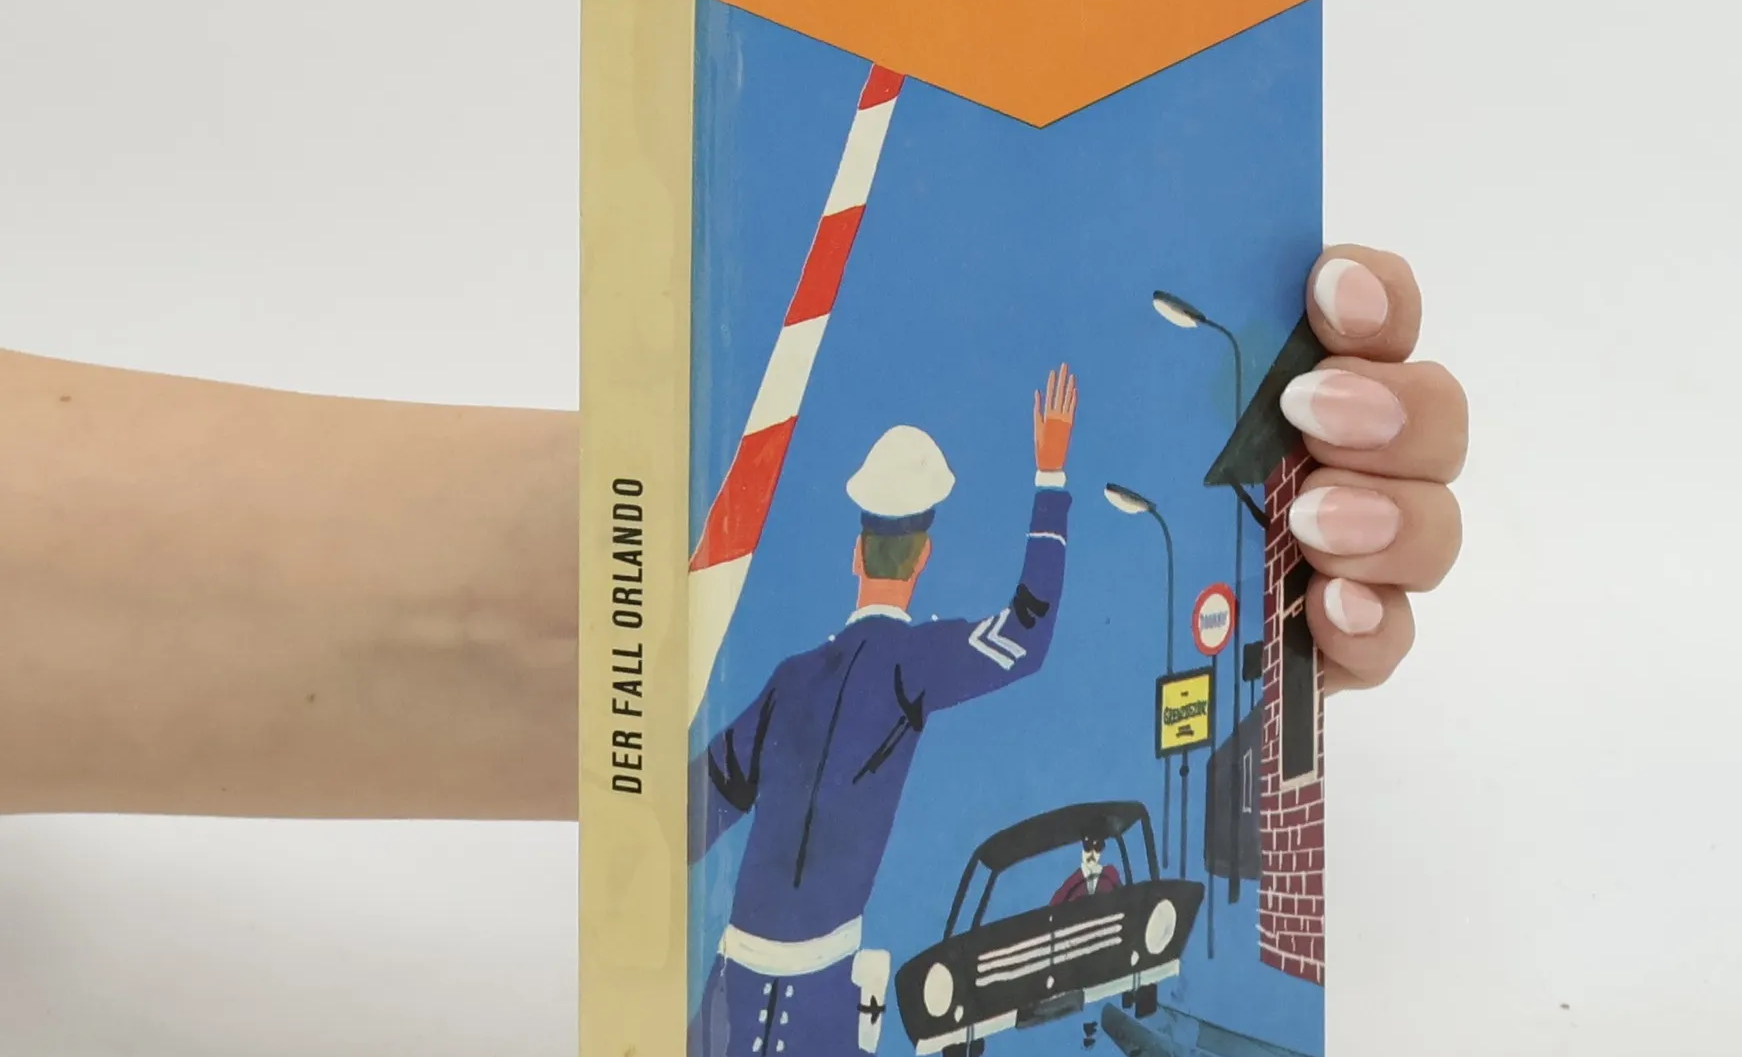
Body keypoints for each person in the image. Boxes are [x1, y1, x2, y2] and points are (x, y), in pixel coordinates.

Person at [0, 248, 1465, 819]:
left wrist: (618, 578)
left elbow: (694, 799)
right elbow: (1022, 639)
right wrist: (1053, 492)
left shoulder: (793, 682)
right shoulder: (892, 675)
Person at [684, 366, 1079, 1057]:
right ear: (923, 556)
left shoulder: (789, 680)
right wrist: (1050, 476)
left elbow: (688, 819)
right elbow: (1027, 633)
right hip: (820, 1021)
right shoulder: (914, 663)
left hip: (728, 1010)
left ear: (856, 552)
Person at [1052, 837, 1121, 905]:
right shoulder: (1071, 883)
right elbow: (1053, 907)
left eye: (1098, 848)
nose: (1092, 853)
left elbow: (1123, 897)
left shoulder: (1110, 873)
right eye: (1088, 847)